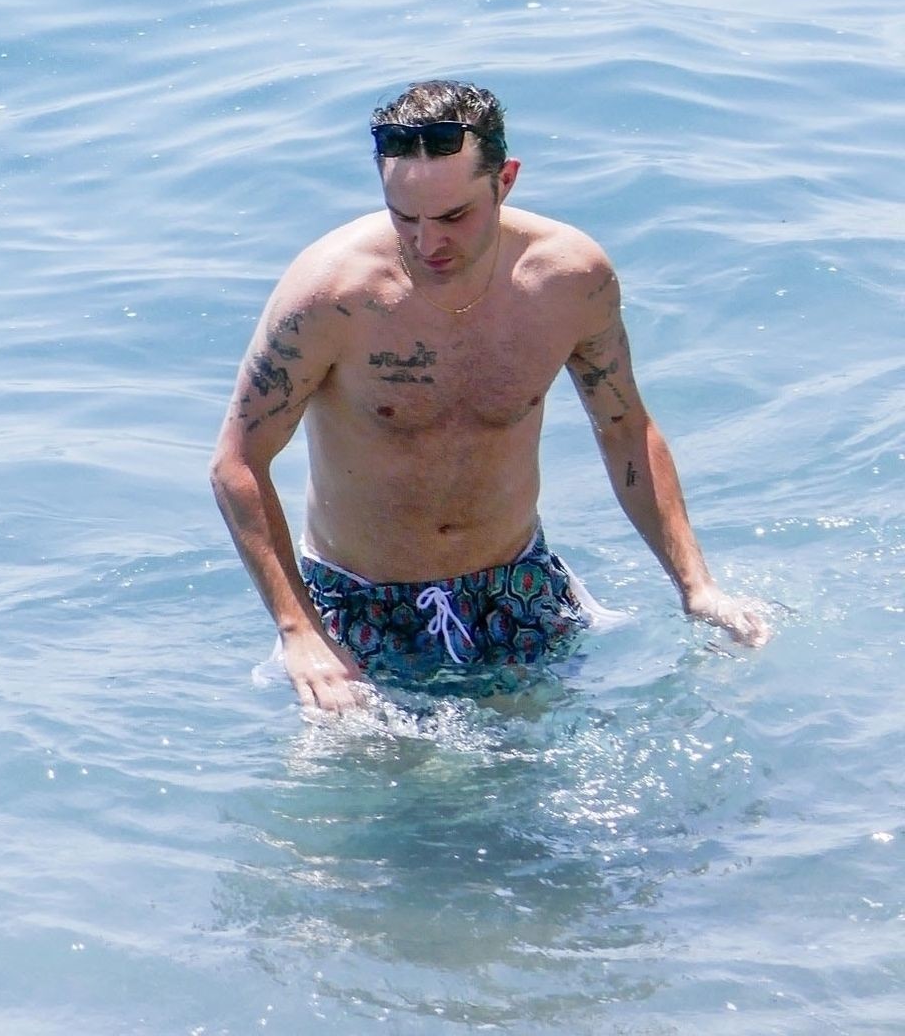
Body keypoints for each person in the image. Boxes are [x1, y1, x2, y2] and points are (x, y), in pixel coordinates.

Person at [209, 80, 769, 712]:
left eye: (453, 217)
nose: (428, 244)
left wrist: (697, 585)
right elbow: (237, 461)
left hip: (519, 588)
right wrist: (299, 632)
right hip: (356, 604)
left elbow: (624, 427)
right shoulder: (332, 294)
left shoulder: (569, 279)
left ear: (505, 181)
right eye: (404, 217)